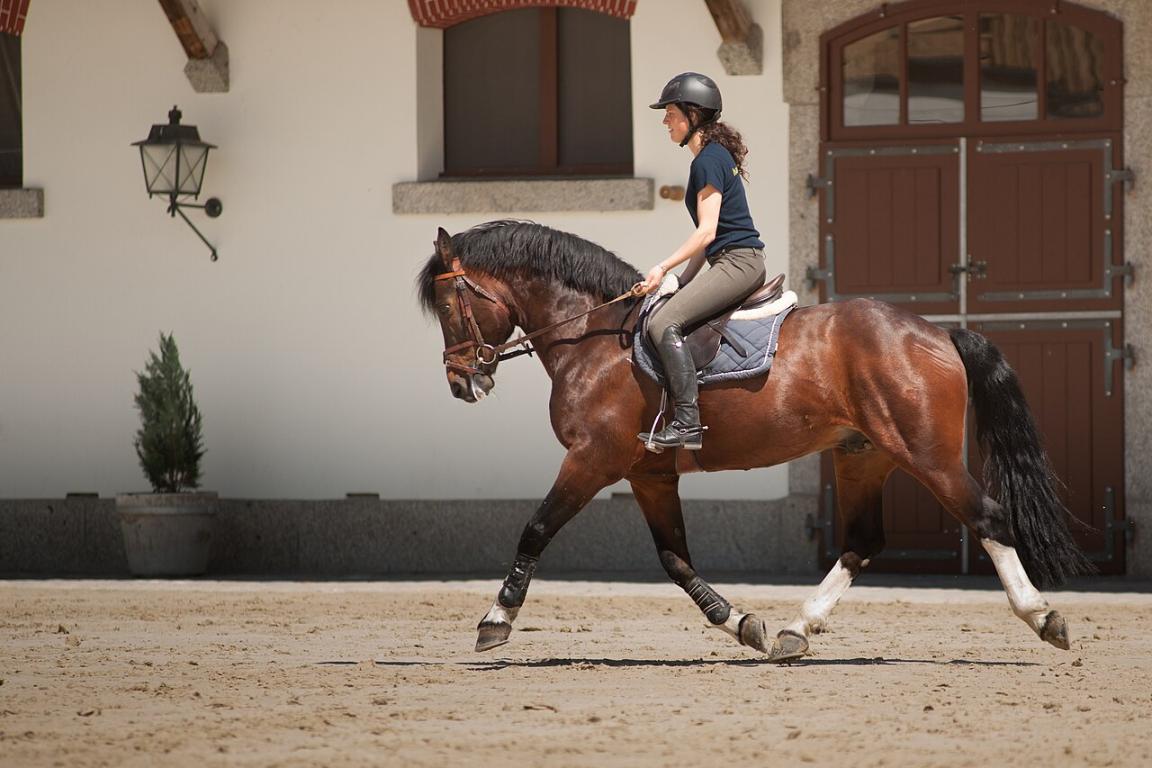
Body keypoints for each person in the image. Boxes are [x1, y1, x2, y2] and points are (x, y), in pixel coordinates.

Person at [637, 72, 766, 451]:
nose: (665, 121)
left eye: (671, 113)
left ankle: (688, 424)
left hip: (738, 262)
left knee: (662, 322)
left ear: (693, 115)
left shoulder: (707, 161)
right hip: (728, 260)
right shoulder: (711, 157)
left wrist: (662, 267)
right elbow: (708, 243)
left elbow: (707, 233)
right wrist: (683, 279)